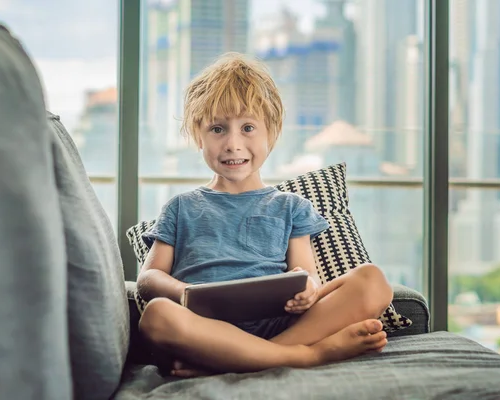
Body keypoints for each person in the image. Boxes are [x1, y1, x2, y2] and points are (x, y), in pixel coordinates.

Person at [136, 52, 393, 378]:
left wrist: (310, 288)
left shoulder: (290, 206)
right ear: (198, 136)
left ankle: (248, 358)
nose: (232, 143)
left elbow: (305, 271)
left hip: (281, 323)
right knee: (157, 315)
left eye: (247, 128)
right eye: (217, 129)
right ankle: (308, 356)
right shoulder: (180, 207)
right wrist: (181, 292)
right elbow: (148, 279)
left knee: (372, 280)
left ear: (270, 134)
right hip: (205, 329)